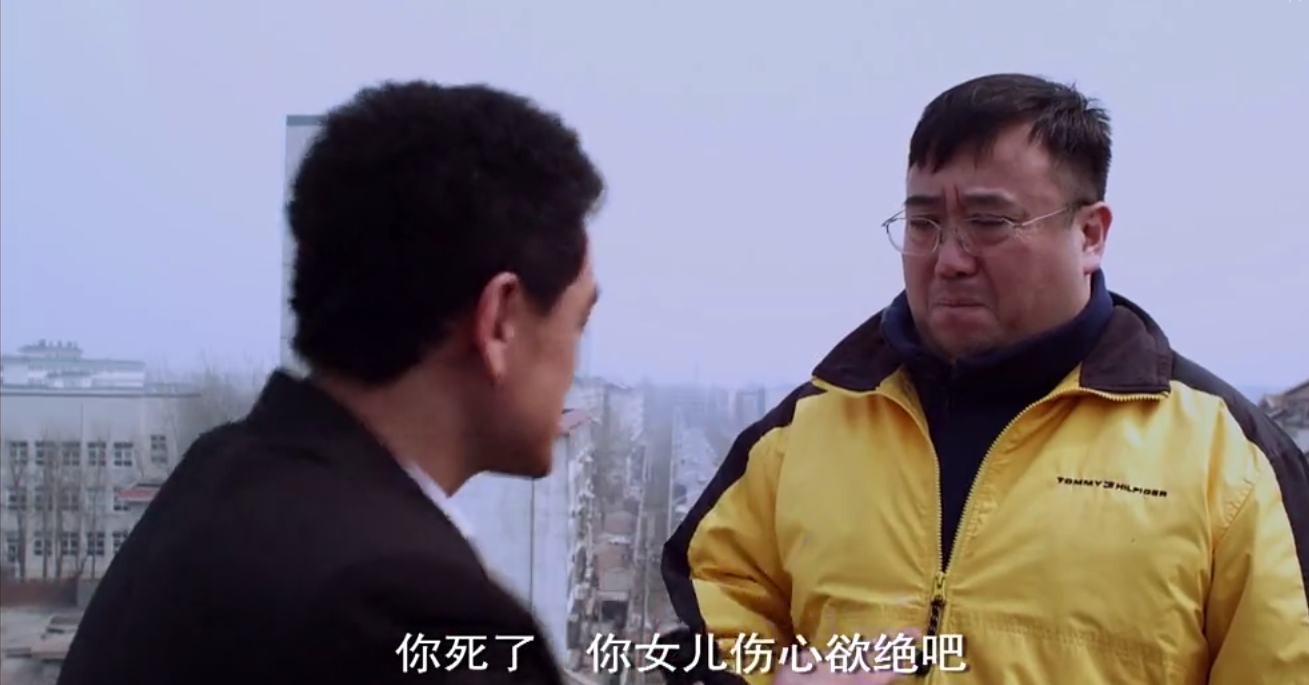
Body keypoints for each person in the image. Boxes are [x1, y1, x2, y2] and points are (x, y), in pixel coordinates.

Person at [662, 73, 1309, 684]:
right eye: (923, 224)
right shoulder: (808, 429)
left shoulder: (1227, 459)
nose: (948, 259)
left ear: (1089, 234)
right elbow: (715, 605)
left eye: (988, 223)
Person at [58, 81, 604, 685]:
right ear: (498, 320)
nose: (577, 361)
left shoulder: (214, 482)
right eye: (579, 321)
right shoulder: (416, 611)